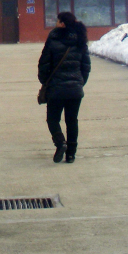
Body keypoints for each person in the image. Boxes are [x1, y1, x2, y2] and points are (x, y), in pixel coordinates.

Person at [38, 11, 92, 163]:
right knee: (72, 120)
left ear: (62, 24)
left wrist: (45, 82)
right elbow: (86, 66)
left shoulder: (53, 38)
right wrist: (80, 82)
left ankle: (60, 142)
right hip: (75, 89)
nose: (55, 23)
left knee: (52, 119)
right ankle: (71, 154)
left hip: (56, 88)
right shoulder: (80, 39)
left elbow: (44, 63)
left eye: (57, 21)